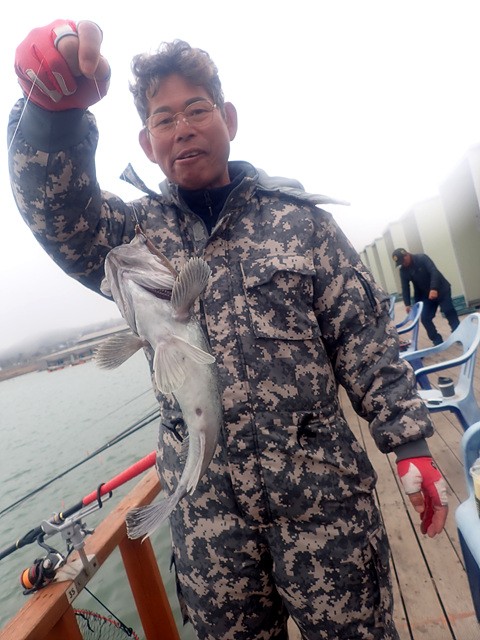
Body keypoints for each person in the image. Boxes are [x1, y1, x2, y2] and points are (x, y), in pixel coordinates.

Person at [8, 20, 449, 640]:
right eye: (164, 119)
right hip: (210, 526)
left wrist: (410, 444)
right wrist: (52, 114)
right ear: (147, 142)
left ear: (229, 118)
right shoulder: (130, 236)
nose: (182, 127)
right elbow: (57, 212)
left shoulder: (304, 226)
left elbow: (365, 342)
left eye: (197, 109)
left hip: (326, 509)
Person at [392, 248, 460, 346]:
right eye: (400, 263)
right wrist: (407, 304)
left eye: (403, 261)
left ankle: (458, 333)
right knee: (425, 318)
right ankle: (437, 341)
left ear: (407, 255)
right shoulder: (403, 270)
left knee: (448, 310)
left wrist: (434, 288)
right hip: (425, 294)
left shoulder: (422, 258)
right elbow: (405, 287)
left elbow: (434, 271)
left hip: (441, 289)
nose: (403, 263)